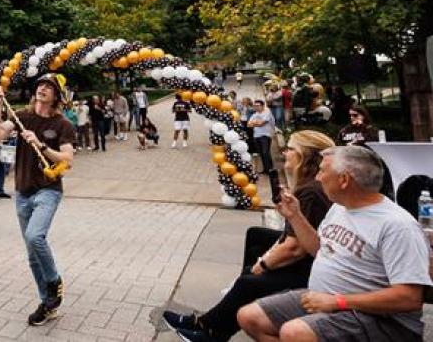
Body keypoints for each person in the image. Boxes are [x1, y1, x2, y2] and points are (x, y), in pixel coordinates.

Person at [238, 145, 432, 341]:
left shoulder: (397, 226)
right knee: (250, 317)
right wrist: (295, 216)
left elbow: (409, 298)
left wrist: (338, 302)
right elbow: (321, 250)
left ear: (344, 179)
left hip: (383, 319)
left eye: (322, 171)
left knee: (295, 332)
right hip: (327, 298)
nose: (317, 177)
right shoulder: (340, 207)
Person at [163, 130, 335, 341]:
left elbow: (294, 248)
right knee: (256, 236)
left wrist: (262, 265)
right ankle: (227, 308)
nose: (284, 152)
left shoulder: (311, 191)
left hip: (310, 267)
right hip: (310, 255)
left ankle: (212, 331)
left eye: (290, 149)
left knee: (249, 280)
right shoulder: (309, 186)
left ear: (305, 156)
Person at [0, 74, 76, 326]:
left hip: (48, 190)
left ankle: (54, 282)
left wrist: (41, 145)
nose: (43, 89)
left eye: (49, 87)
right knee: (32, 255)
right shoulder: (22, 116)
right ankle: (48, 304)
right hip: (23, 192)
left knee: (35, 236)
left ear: (56, 96)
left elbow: (68, 159)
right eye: (40, 85)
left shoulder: (62, 124)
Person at [247, 100, 276, 175]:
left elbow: (261, 124)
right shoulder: (254, 115)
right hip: (256, 135)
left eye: (258, 106)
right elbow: (248, 125)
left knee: (265, 152)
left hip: (265, 135)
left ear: (263, 106)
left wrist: (255, 123)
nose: (256, 107)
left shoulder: (267, 112)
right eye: (255, 106)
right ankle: (266, 169)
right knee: (261, 153)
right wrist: (257, 123)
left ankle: (270, 169)